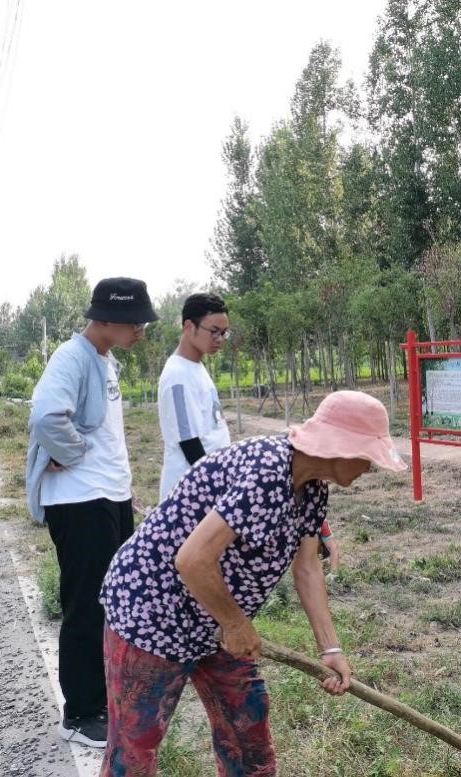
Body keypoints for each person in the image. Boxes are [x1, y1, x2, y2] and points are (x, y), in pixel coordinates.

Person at [97, 390, 405, 775]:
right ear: (340, 447)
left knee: (248, 731)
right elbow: (192, 559)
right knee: (135, 745)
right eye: (368, 456)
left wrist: (331, 649)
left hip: (217, 619)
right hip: (154, 613)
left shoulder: (313, 488)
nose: (369, 468)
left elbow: (308, 567)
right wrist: (236, 624)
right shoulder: (267, 472)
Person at [25, 277, 159, 748]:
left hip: (108, 497)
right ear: (105, 319)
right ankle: (81, 714)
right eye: (133, 322)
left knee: (115, 601)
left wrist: (123, 487)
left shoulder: (105, 360)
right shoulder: (72, 356)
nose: (140, 330)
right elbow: (46, 415)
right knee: (86, 606)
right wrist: (73, 452)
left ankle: (105, 698)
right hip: (81, 501)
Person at [157, 292, 342, 566]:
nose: (220, 339)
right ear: (188, 327)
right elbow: (190, 444)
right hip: (194, 493)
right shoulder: (177, 375)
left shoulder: (196, 368)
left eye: (224, 333)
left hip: (212, 485)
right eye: (214, 331)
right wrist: (224, 491)